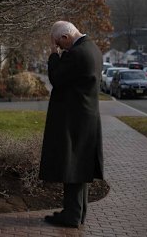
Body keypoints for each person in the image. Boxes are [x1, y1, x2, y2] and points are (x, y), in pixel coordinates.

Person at [39, 20, 104, 228]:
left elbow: (56, 79)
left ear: (66, 38)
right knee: (80, 166)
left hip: (75, 118)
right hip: (86, 117)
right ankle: (76, 212)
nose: (59, 47)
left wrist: (52, 54)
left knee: (73, 166)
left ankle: (72, 216)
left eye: (59, 43)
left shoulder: (77, 54)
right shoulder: (92, 48)